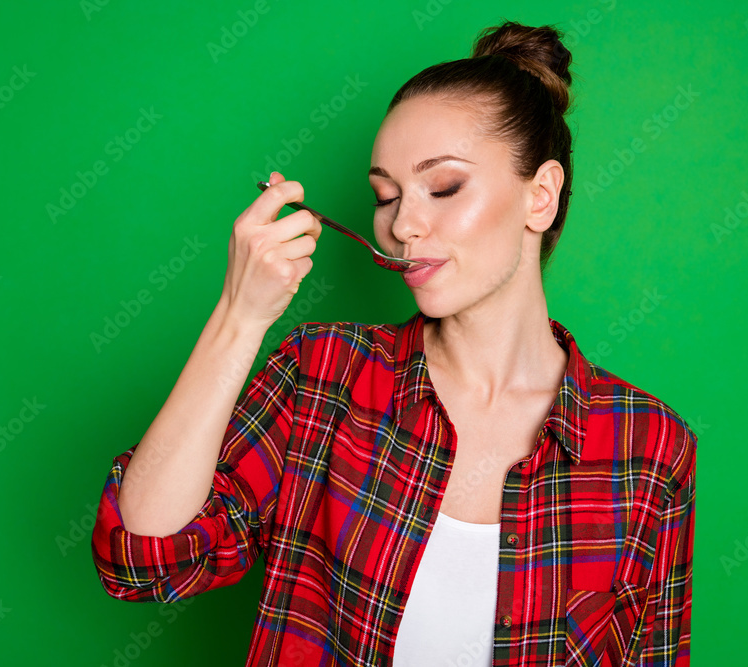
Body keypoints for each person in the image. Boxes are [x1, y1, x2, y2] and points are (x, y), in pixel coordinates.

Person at [92, 19, 697, 667]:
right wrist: (239, 317)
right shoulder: (321, 373)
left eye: (443, 187)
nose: (402, 224)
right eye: (386, 196)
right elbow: (144, 560)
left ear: (540, 196)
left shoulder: (651, 446)